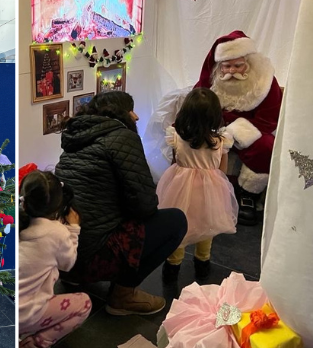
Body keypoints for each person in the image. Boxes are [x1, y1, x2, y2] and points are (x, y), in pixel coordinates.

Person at [56, 91, 187, 315]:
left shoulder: (75, 138)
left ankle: (74, 278)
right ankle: (122, 295)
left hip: (63, 251)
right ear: (119, 113)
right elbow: (145, 204)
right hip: (93, 254)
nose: (136, 116)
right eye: (130, 109)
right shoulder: (122, 137)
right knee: (176, 221)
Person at [193, 31, 282, 225]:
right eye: (227, 66)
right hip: (215, 128)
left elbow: (269, 119)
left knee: (267, 146)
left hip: (251, 131)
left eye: (237, 65)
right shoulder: (212, 81)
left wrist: (234, 134)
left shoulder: (265, 81)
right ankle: (201, 189)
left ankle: (248, 193)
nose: (232, 70)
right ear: (220, 66)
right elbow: (197, 107)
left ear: (248, 63)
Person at [157, 88, 239, 283]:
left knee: (178, 225)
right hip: (210, 190)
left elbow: (175, 162)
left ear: (185, 113)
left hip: (179, 187)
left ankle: (172, 266)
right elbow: (222, 170)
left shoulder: (176, 137)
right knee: (207, 224)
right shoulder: (221, 142)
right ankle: (203, 262)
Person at [18, 170, 92, 348]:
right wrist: (73, 229)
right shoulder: (57, 233)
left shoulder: (15, 221)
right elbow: (68, 264)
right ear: (58, 205)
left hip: (7, 308)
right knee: (84, 304)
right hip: (27, 313)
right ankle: (37, 342)